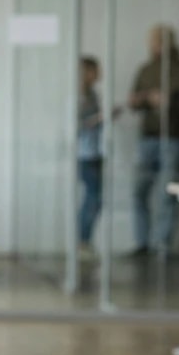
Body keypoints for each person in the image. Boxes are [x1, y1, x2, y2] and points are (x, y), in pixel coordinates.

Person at [128, 24, 179, 256]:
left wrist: (171, 100)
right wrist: (145, 99)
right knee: (139, 190)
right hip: (148, 137)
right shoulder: (146, 69)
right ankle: (142, 243)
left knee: (167, 192)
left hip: (173, 137)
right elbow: (132, 101)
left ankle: (163, 244)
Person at [77, 56, 105, 259]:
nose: (98, 74)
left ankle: (84, 240)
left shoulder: (93, 94)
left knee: (95, 199)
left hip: (95, 151)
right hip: (84, 154)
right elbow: (78, 125)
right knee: (93, 199)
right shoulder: (79, 96)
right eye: (95, 70)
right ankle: (82, 241)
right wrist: (99, 118)